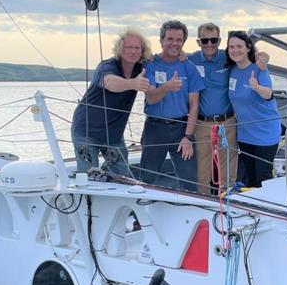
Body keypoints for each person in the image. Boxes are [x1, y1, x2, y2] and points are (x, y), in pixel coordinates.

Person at [188, 23, 270, 195]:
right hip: (202, 123)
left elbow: (247, 55)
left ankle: (229, 201)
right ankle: (203, 201)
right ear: (198, 42)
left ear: (219, 41)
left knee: (229, 167)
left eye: (214, 40)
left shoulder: (227, 58)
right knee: (202, 168)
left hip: (227, 121)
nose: (209, 44)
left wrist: (263, 56)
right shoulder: (191, 59)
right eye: (205, 40)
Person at [71, 27, 151, 175]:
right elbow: (109, 82)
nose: (133, 51)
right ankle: (85, 198)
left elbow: (164, 59)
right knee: (88, 175)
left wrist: (182, 55)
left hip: (113, 135)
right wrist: (133, 84)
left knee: (123, 176)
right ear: (120, 49)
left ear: (142, 51)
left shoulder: (141, 68)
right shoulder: (107, 66)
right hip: (86, 131)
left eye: (137, 48)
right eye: (128, 47)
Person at [141, 20, 204, 192]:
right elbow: (152, 99)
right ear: (161, 40)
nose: (174, 43)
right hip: (155, 128)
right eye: (170, 39)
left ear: (183, 42)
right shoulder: (151, 64)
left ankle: (190, 213)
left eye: (179, 40)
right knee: (147, 179)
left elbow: (194, 104)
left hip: (181, 130)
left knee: (190, 181)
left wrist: (188, 137)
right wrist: (167, 87)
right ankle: (142, 216)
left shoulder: (189, 67)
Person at [226, 30, 280, 188]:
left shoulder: (259, 68)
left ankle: (269, 209)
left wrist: (256, 87)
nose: (235, 50)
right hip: (245, 134)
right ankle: (252, 210)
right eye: (232, 47)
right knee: (249, 177)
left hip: (265, 133)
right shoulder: (232, 70)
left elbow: (268, 94)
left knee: (263, 176)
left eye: (239, 46)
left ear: (248, 48)